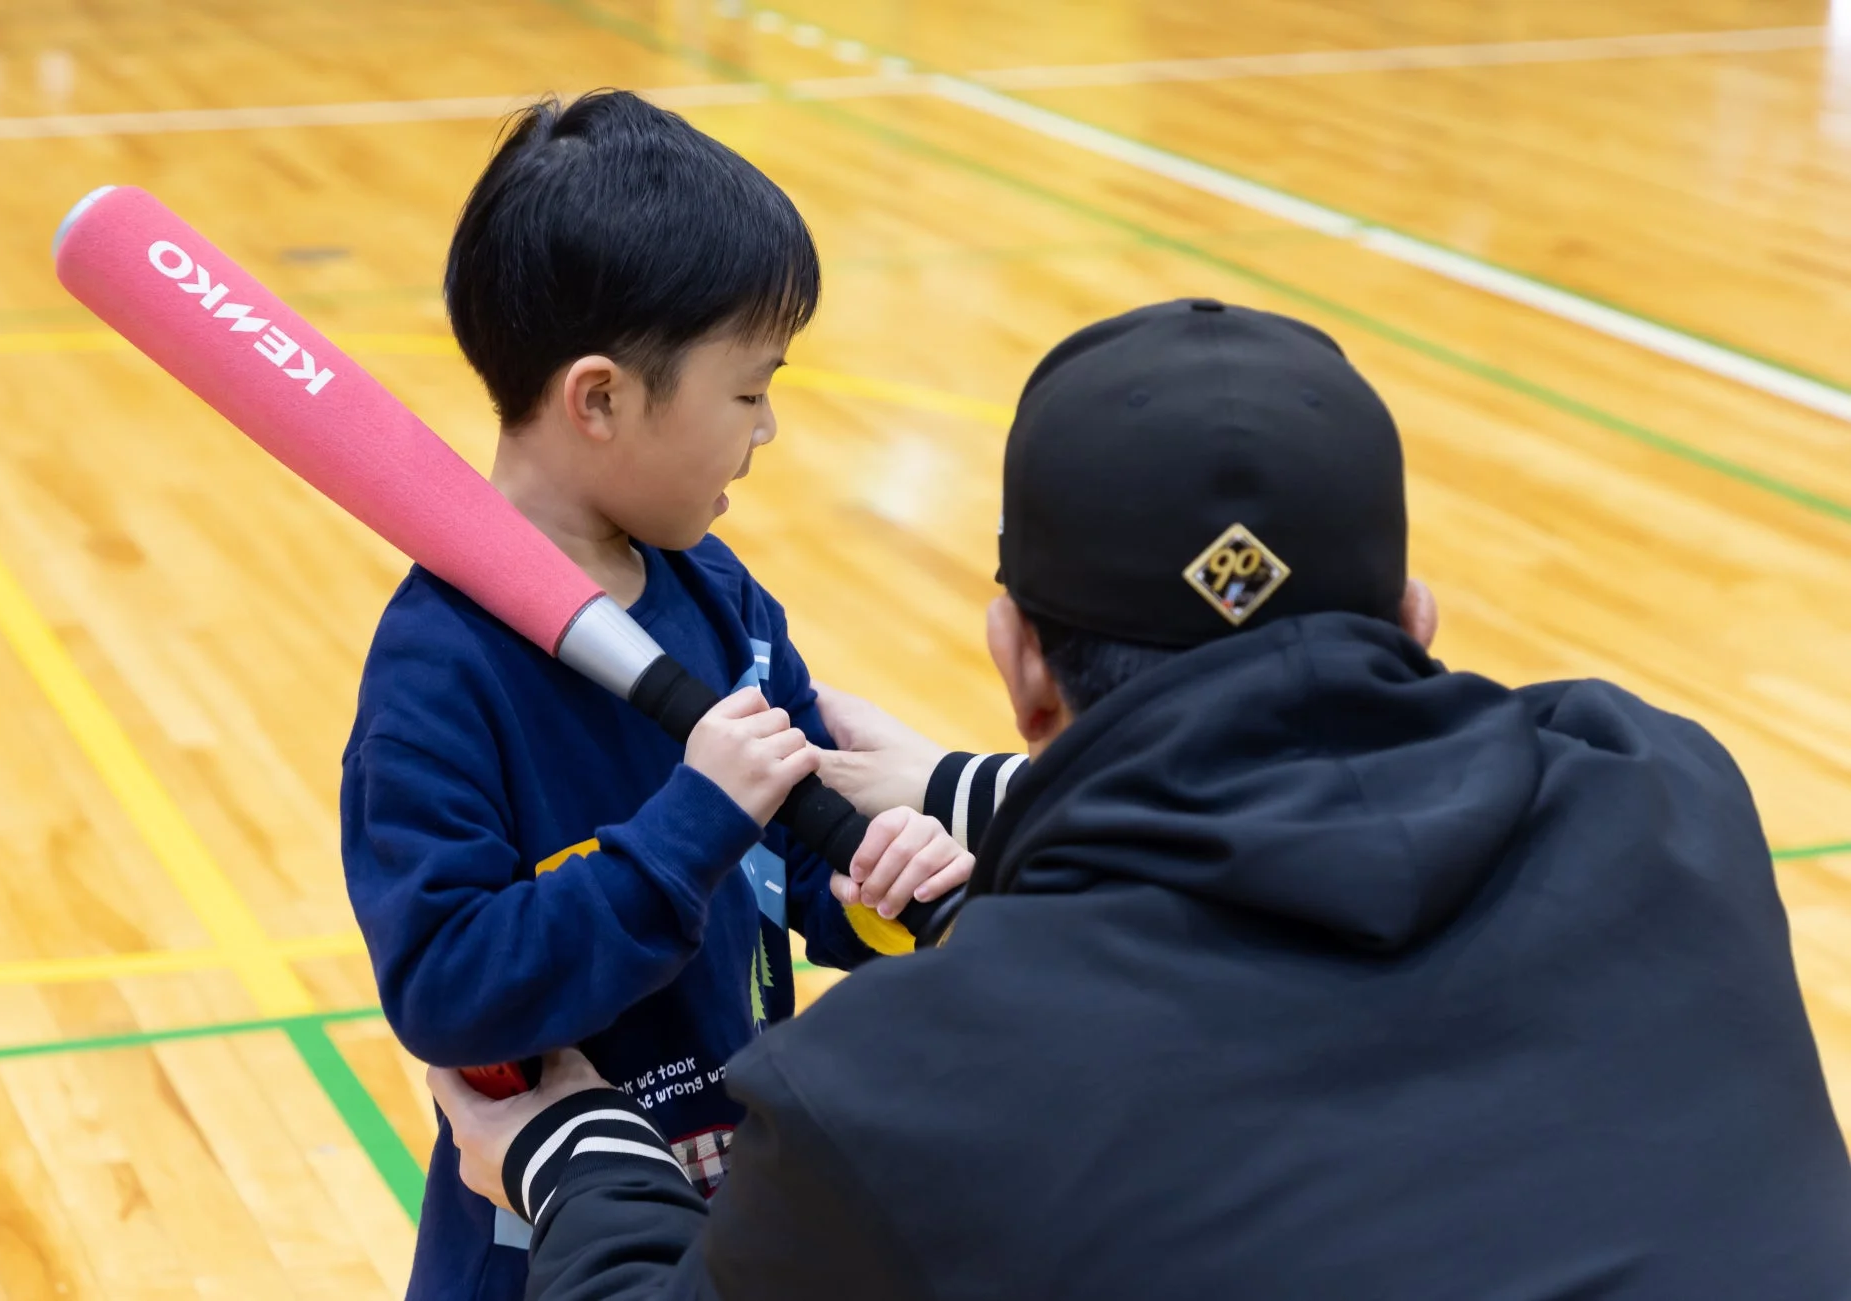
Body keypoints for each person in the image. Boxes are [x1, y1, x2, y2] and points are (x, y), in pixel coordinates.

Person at [426, 298, 1851, 1299]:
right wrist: (973, 798)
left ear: (1019, 664)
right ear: (1416, 618)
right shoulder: (1667, 794)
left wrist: (576, 1156)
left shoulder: (893, 1090)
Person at [340, 91, 971, 1301]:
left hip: (743, 1214)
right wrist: (691, 823)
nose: (768, 427)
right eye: (748, 390)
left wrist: (883, 885)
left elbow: (799, 859)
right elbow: (449, 986)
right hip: (538, 1240)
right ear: (601, 398)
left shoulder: (718, 596)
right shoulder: (440, 670)